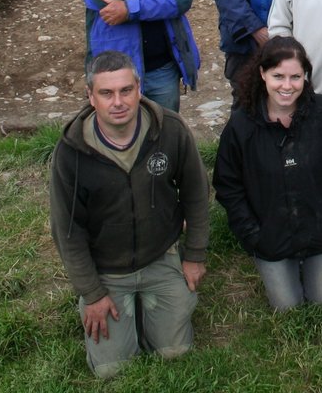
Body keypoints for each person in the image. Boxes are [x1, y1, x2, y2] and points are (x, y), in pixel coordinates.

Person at [49, 50, 209, 379]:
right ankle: (123, 309)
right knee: (111, 370)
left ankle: (153, 308)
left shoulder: (171, 130)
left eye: (125, 90)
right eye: (106, 93)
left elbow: (196, 193)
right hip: (107, 271)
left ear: (139, 88)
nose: (117, 102)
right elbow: (68, 232)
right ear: (91, 96)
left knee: (175, 352)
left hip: (160, 255)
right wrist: (92, 293)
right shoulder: (70, 152)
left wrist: (194, 254)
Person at [213, 37, 322, 311]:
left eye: (295, 77)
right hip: (270, 237)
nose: (287, 86)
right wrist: (253, 235)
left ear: (306, 77)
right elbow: (228, 185)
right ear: (262, 73)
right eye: (278, 76)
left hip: (321, 231)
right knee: (287, 308)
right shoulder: (242, 125)